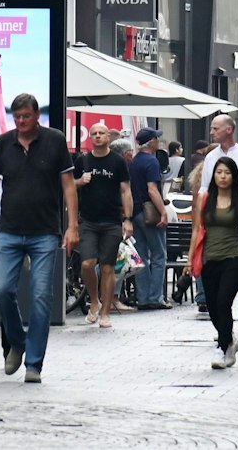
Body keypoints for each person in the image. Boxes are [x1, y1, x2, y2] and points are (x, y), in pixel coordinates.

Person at [0, 92, 77, 383]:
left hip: (44, 231)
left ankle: (34, 363)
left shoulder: (54, 140)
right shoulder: (3, 143)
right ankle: (17, 341)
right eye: (17, 117)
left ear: (37, 116)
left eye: (26, 116)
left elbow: (69, 186)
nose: (21, 122)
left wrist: (73, 226)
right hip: (9, 229)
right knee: (2, 290)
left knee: (41, 296)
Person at [73, 121, 134, 328]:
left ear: (108, 137)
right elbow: (69, 185)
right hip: (88, 220)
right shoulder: (83, 160)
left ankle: (106, 312)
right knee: (87, 264)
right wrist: (80, 181)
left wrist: (128, 219)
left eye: (101, 133)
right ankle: (94, 301)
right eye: (94, 133)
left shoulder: (118, 161)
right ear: (90, 137)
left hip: (112, 221)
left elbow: (126, 190)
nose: (98, 136)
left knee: (108, 268)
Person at [196, 157, 238, 371]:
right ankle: (229, 341)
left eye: (227, 173)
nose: (223, 176)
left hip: (233, 257)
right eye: (219, 172)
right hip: (209, 258)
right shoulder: (204, 199)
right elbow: (196, 230)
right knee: (212, 306)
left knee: (223, 302)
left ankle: (221, 348)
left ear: (234, 176)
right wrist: (191, 259)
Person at [129, 128, 171, 310]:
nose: (158, 142)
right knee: (159, 255)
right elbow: (152, 190)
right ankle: (156, 297)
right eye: (157, 139)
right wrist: (163, 211)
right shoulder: (152, 161)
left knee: (141, 257)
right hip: (150, 212)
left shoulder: (133, 162)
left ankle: (143, 297)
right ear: (151, 142)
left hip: (135, 212)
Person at [198, 114, 238, 196]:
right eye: (211, 129)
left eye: (215, 129)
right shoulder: (210, 157)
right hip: (215, 203)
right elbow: (204, 188)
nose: (211, 132)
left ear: (229, 130)